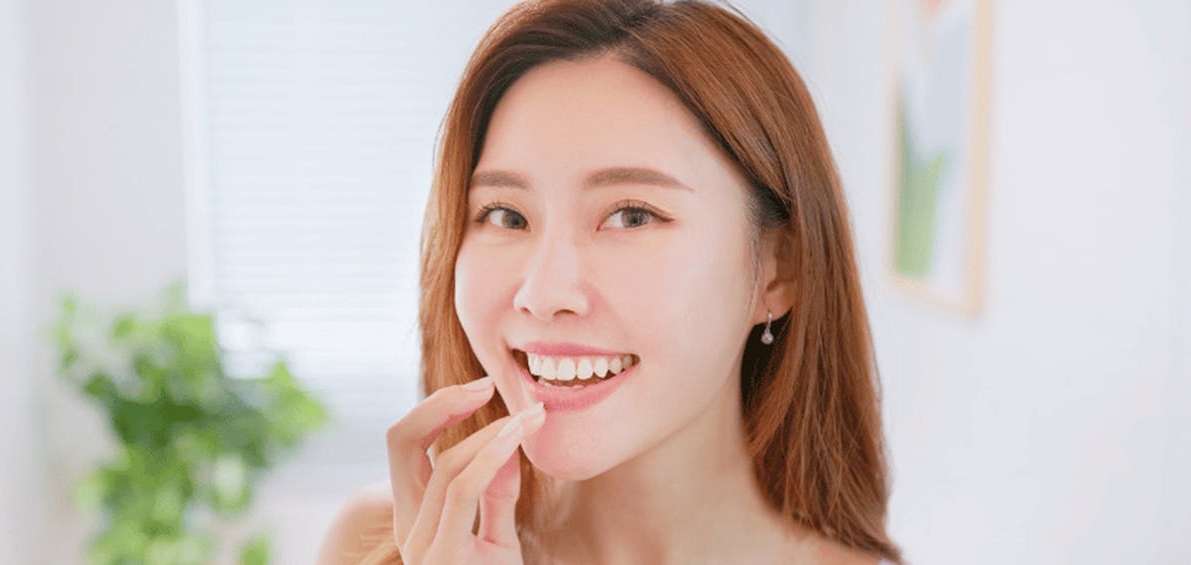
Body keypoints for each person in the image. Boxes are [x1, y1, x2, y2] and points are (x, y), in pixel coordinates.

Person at [317, 0, 904, 563]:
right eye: (505, 215)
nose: (543, 294)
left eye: (632, 215)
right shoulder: (380, 547)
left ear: (779, 269)